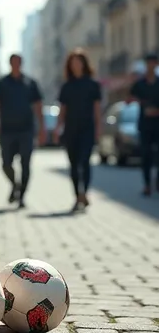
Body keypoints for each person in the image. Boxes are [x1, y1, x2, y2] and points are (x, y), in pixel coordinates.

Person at [0, 54, 45, 208]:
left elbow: (38, 106)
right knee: (6, 164)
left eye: (18, 62)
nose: (16, 65)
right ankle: (15, 185)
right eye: (13, 62)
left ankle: (22, 197)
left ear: (21, 64)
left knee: (25, 164)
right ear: (9, 64)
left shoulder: (30, 83)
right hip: (7, 130)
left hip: (26, 130)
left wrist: (42, 129)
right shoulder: (1, 83)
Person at [54, 48, 102, 212]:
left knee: (85, 162)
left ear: (84, 64)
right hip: (71, 130)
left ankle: (85, 192)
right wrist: (57, 128)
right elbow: (63, 110)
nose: (76, 65)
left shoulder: (93, 85)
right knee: (74, 165)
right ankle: (77, 196)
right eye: (73, 63)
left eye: (78, 62)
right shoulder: (67, 86)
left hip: (87, 129)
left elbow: (97, 109)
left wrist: (98, 129)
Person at [128, 52, 159, 197]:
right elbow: (128, 99)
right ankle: (147, 184)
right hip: (145, 125)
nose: (151, 66)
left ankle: (157, 183)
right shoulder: (139, 84)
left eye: (153, 63)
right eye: (149, 63)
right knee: (146, 155)